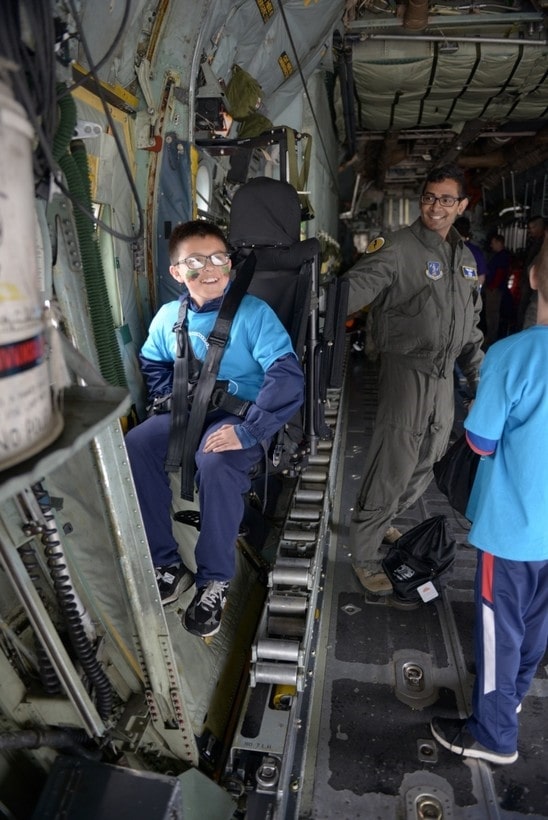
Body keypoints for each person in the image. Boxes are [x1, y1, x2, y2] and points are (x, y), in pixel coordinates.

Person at [125, 220, 304, 637]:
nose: (209, 269)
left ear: (230, 263)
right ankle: (165, 563)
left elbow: (287, 375)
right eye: (195, 261)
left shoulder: (255, 314)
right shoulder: (170, 317)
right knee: (136, 444)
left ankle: (214, 580)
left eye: (219, 258)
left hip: (244, 415)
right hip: (191, 411)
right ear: (176, 272)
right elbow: (153, 360)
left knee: (216, 458)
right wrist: (162, 399)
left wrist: (249, 430)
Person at [430, 234, 548, 765]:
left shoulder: (513, 355)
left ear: (534, 279)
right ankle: (513, 699)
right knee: (537, 622)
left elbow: (480, 442)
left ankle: (493, 734)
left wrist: (481, 404)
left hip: (513, 525)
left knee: (500, 629)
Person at [343, 163, 484, 595]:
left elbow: (472, 330)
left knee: (430, 457)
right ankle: (365, 553)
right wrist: (323, 304)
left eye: (445, 200)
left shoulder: (463, 257)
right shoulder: (399, 247)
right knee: (394, 463)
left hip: (445, 378)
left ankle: (380, 520)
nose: (435, 207)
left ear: (461, 205)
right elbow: (356, 287)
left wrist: (479, 383)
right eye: (428, 197)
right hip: (407, 371)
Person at [454, 216, 487, 336]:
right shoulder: (475, 251)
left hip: (451, 297)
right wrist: (476, 295)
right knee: (470, 328)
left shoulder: (446, 249)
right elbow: (481, 277)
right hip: (469, 298)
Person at [516, 215, 546, 330]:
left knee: (530, 317)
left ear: (540, 227)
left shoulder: (543, 245)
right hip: (530, 285)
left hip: (535, 289)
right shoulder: (535, 243)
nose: (530, 230)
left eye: (532, 227)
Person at [484, 233, 512, 346]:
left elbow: (500, 273)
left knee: (492, 314)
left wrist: (492, 287)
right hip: (493, 288)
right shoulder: (499, 255)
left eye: (493, 242)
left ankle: (491, 338)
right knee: (491, 314)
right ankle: (491, 336)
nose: (491, 245)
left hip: (494, 290)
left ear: (499, 242)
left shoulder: (502, 256)